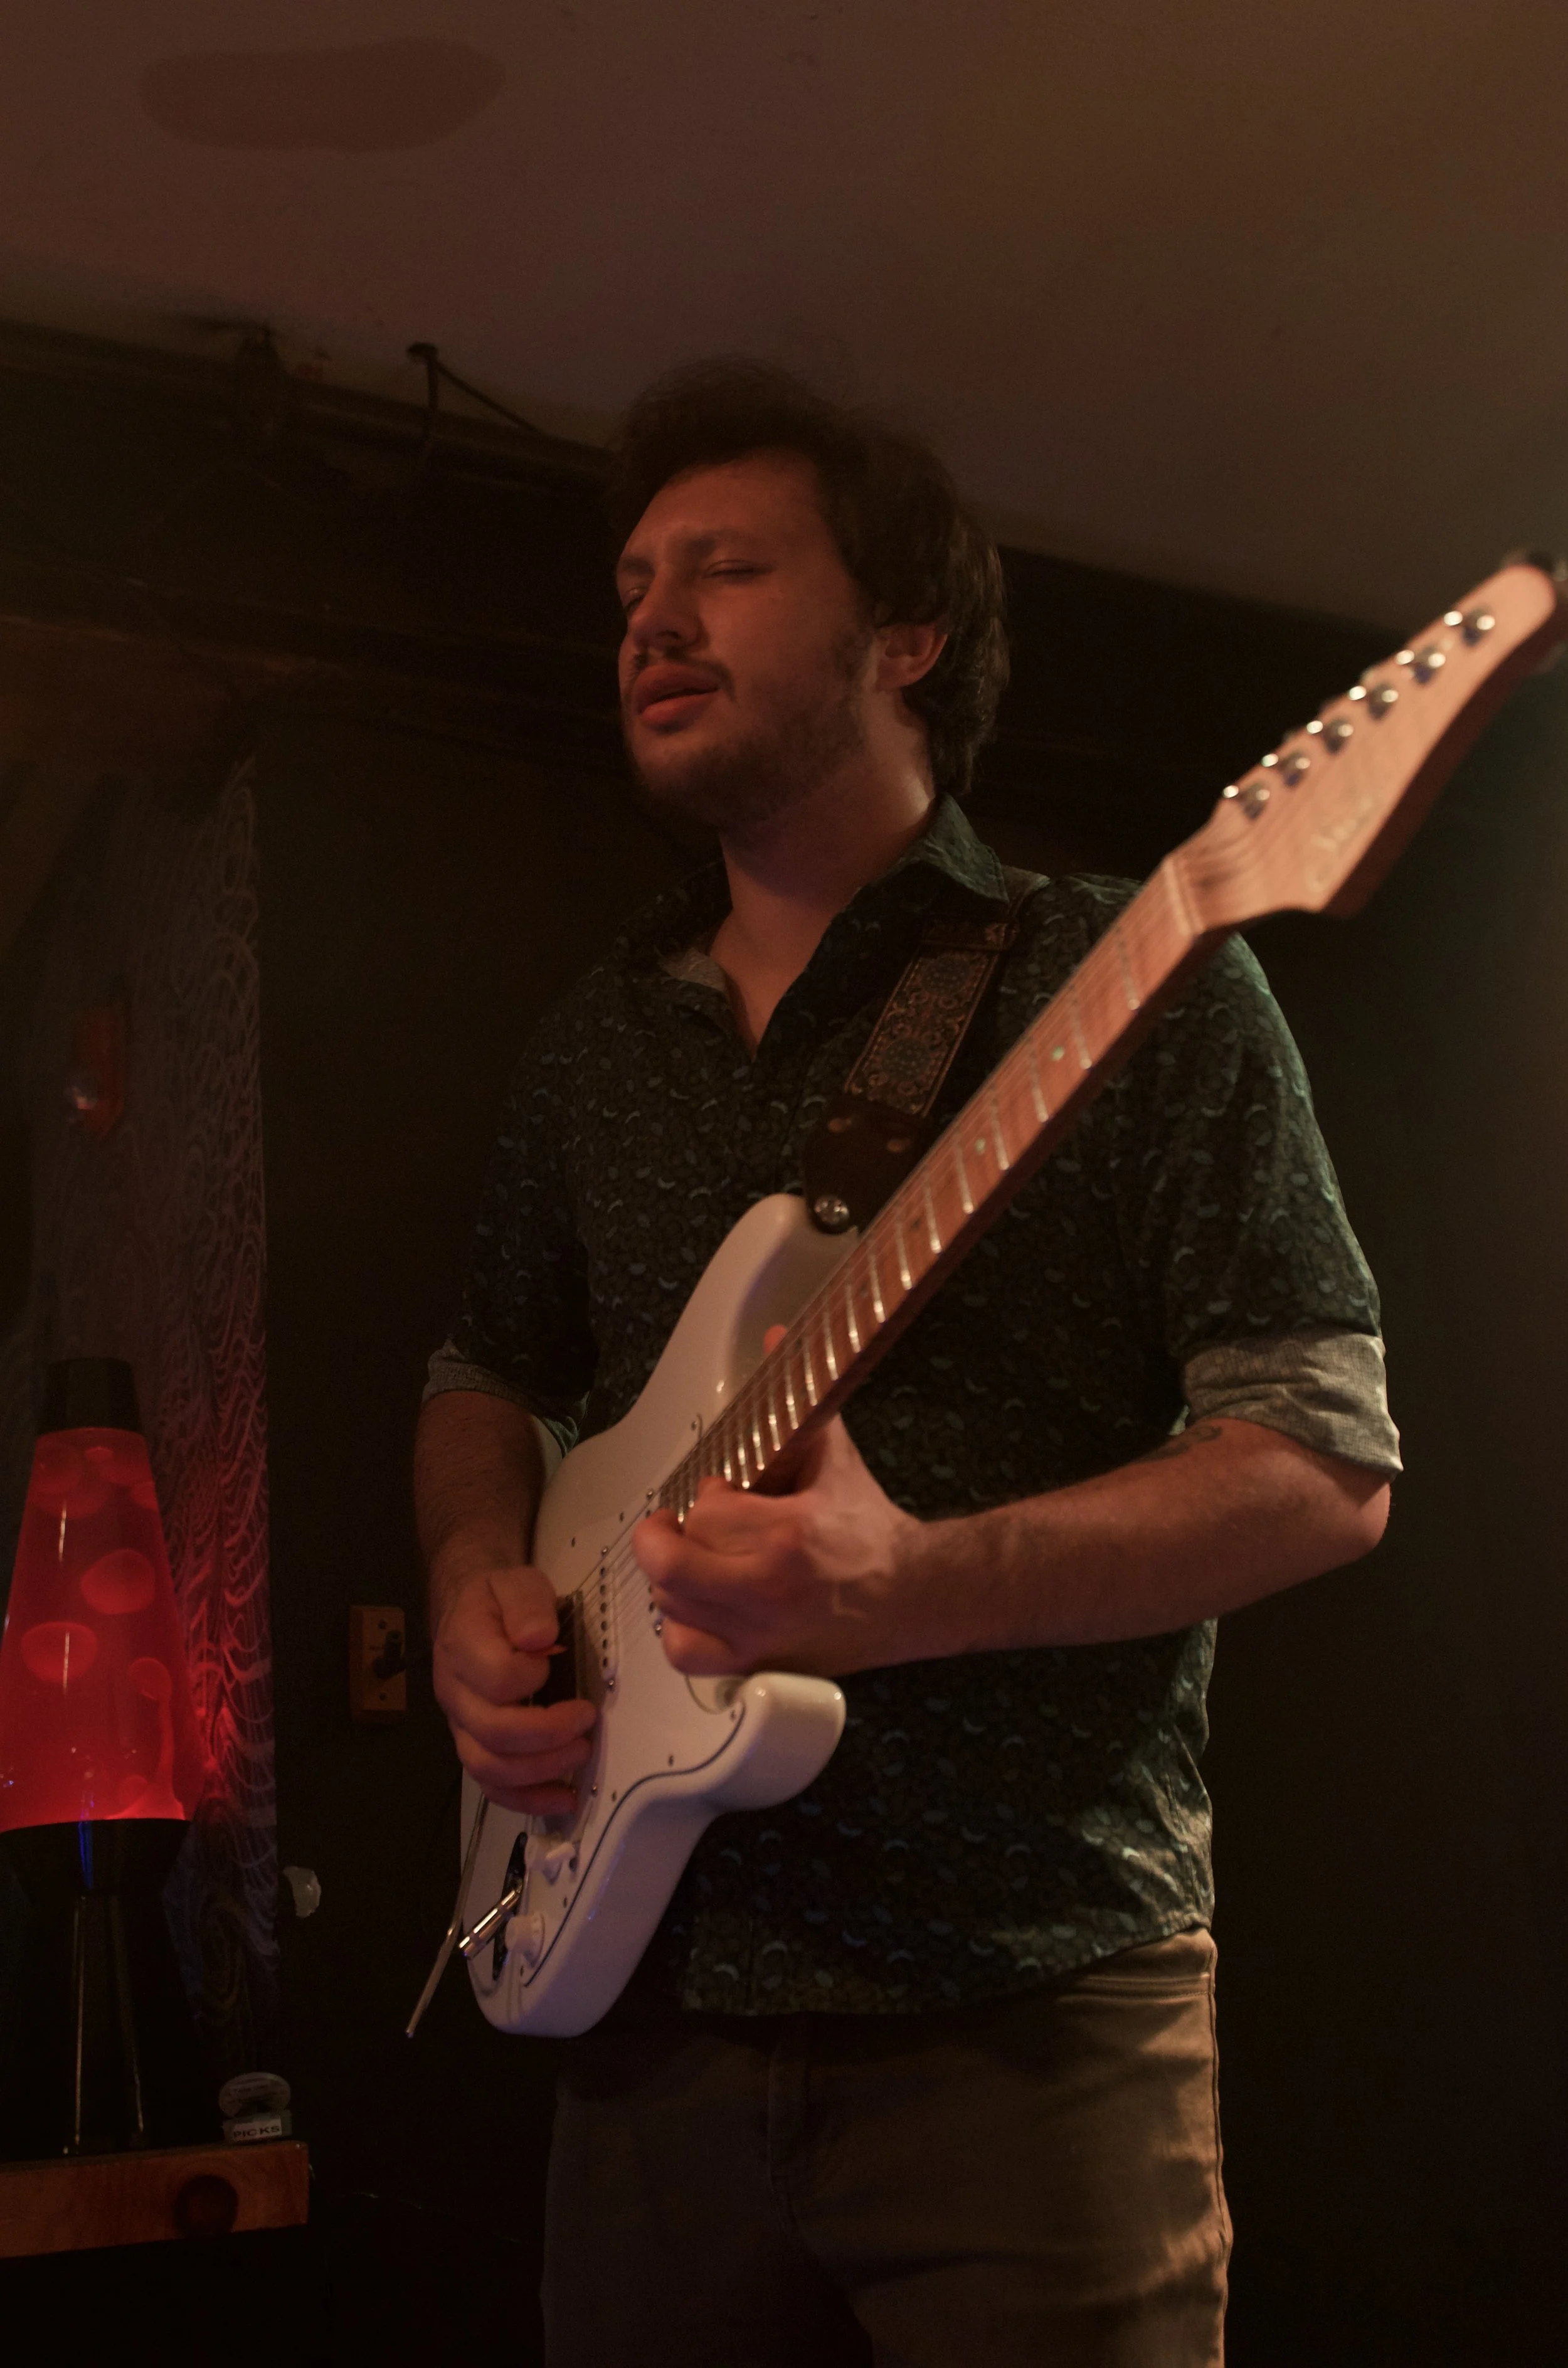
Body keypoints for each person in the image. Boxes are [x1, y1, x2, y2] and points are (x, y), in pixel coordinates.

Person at [413, 361, 1400, 2367]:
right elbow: (484, 1371)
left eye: (729, 565)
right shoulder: (598, 1043)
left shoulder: (1124, 981)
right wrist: (469, 1582)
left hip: (1025, 2011)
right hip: (647, 2013)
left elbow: (1319, 1453)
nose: (650, 615)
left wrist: (911, 1585)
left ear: (906, 634)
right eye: (632, 578)